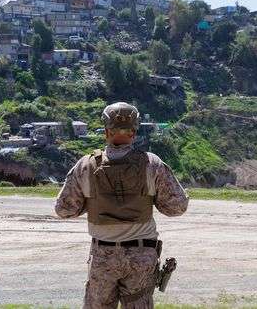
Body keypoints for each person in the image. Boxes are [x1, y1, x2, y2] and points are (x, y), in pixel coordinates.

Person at [55, 102, 189, 308]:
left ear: (106, 131)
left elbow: (64, 210)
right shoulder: (152, 164)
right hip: (142, 256)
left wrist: (89, 203)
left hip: (103, 256)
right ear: (134, 131)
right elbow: (177, 207)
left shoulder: (86, 165)